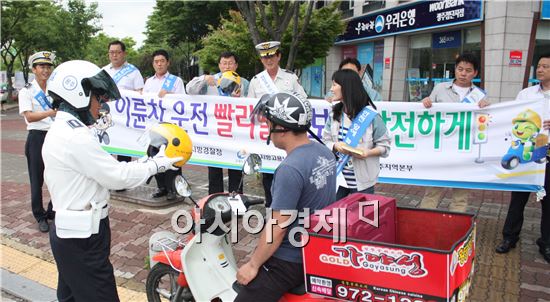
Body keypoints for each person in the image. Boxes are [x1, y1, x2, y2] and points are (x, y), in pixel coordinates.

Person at [42, 60, 185, 301]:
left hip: (71, 233)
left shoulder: (63, 129)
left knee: (70, 296)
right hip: (82, 238)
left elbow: (105, 168)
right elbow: (117, 176)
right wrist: (160, 163)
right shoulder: (75, 137)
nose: (100, 106)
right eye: (98, 98)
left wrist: (144, 161)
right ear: (79, 94)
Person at [236, 92, 336, 301]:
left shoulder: (289, 169)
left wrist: (253, 265)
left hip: (290, 259)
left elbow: (278, 228)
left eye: (268, 123)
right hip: (316, 246)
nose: (267, 129)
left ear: (281, 128)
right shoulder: (323, 152)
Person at [495, 53, 550, 263]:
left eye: (545, 66)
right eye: (539, 65)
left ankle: (546, 242)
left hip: (547, 153)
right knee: (518, 198)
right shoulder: (526, 94)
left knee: (548, 202)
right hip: (526, 154)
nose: (540, 69)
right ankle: (509, 237)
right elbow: (511, 118)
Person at [419, 52, 490, 212]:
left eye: (468, 70)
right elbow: (425, 112)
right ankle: (424, 226)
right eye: (460, 69)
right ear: (455, 70)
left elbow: (485, 122)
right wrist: (424, 102)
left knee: (460, 196)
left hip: (465, 150)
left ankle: (455, 230)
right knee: (432, 192)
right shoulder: (440, 88)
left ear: (475, 73)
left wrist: (486, 108)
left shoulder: (479, 96)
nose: (463, 73)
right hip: (440, 149)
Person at [247, 41, 307, 207]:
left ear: (279, 56)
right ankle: (270, 208)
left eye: (272, 55)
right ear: (261, 60)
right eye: (265, 57)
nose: (269, 60)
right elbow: (251, 109)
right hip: (267, 135)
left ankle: (291, 207)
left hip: (289, 135)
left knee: (290, 171)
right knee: (268, 175)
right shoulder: (256, 81)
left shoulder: (290, 78)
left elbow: (304, 101)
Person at [322, 69, 391, 200]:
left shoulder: (371, 117)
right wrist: (336, 146)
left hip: (363, 181)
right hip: (338, 178)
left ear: (347, 87)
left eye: (335, 84)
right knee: (334, 216)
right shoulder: (334, 114)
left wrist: (367, 153)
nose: (331, 89)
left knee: (362, 217)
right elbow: (325, 140)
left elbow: (385, 146)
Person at [186, 51, 249, 195]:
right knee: (214, 169)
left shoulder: (244, 82)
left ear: (236, 65)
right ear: (219, 65)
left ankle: (237, 202)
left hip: (235, 132)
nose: (227, 66)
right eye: (224, 63)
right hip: (214, 132)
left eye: (230, 63)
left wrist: (239, 99)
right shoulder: (211, 81)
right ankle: (215, 201)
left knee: (236, 168)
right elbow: (189, 89)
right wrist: (203, 78)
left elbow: (250, 105)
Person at [18, 51, 57, 232]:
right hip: (37, 138)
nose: (46, 70)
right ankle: (39, 215)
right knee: (37, 179)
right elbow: (30, 117)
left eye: (48, 66)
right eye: (42, 66)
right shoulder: (26, 91)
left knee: (57, 176)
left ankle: (52, 210)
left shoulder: (55, 89)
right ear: (34, 69)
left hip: (55, 137)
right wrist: (51, 112)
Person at [143, 49, 185, 200]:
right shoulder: (148, 82)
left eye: (162, 61)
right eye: (156, 62)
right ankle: (161, 188)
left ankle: (174, 189)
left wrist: (169, 96)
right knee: (154, 157)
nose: (159, 64)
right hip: (154, 127)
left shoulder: (176, 81)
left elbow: (183, 102)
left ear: (168, 62)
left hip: (171, 128)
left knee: (172, 159)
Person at [103, 40, 145, 174]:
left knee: (123, 149)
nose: (114, 55)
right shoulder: (103, 71)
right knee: (105, 148)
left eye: (118, 52)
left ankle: (122, 178)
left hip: (124, 117)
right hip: (106, 116)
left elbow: (140, 93)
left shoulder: (133, 72)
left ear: (124, 53)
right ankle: (107, 177)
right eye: (112, 53)